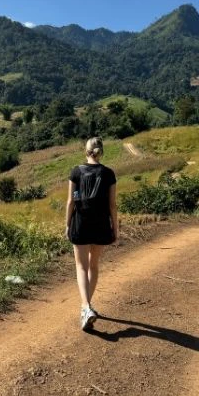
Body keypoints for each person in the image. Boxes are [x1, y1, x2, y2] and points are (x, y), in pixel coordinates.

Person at [66, 136, 119, 331]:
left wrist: (67, 224)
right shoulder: (109, 174)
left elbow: (70, 202)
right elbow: (112, 205)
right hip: (101, 225)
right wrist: (116, 228)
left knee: (81, 266)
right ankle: (87, 306)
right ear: (101, 152)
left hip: (80, 223)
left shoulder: (76, 172)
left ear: (86, 151)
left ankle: (86, 307)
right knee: (93, 266)